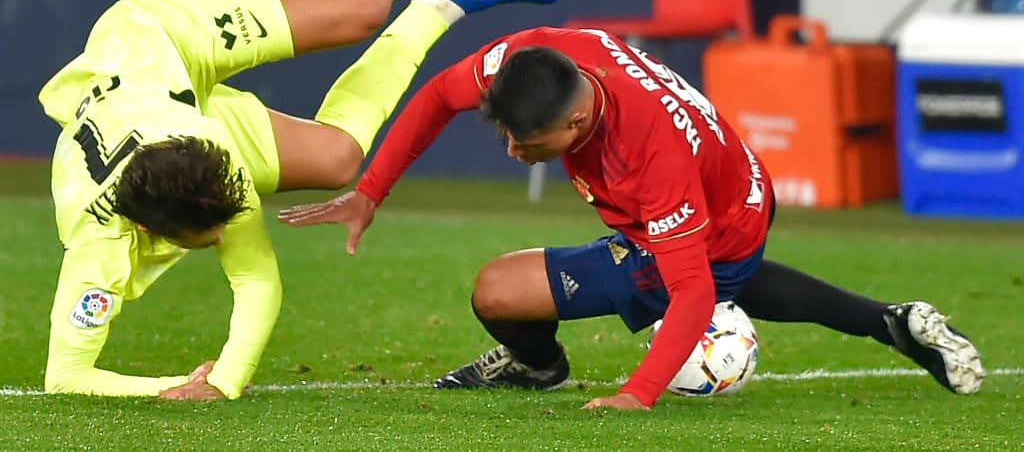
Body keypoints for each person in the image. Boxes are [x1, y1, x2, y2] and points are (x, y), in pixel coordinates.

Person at [37, 0, 559, 401]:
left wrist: (223, 382)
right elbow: (67, 378)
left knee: (359, 7)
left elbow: (255, 279)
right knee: (338, 159)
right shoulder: (96, 244)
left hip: (155, 37)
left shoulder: (213, 160)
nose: (228, 233)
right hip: (156, 98)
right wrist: (181, 386)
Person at [280, 26, 986, 410]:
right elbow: (439, 93)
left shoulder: (650, 157)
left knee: (496, 290)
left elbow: (695, 293)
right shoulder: (538, 57)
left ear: (579, 118)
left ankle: (536, 369)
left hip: (714, 220)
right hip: (726, 190)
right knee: (726, 271)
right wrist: (372, 189)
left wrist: (637, 395)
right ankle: (888, 322)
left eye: (527, 143)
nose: (513, 150)